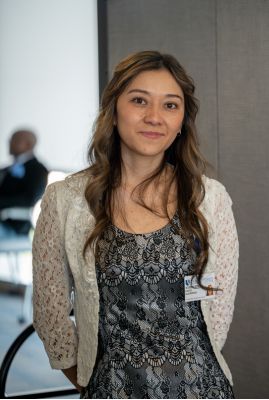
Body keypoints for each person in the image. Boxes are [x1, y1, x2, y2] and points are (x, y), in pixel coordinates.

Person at [32, 51, 238, 398]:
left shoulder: (208, 199)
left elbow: (213, 308)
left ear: (181, 121)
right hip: (112, 388)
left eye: (170, 105)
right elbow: (49, 309)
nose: (154, 117)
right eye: (140, 100)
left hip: (201, 386)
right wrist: (85, 378)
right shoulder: (65, 200)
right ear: (113, 110)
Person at [0, 130, 48, 237]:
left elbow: (29, 199)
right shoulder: (6, 169)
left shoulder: (38, 169)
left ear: (28, 144)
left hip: (14, 225)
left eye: (14, 140)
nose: (10, 143)